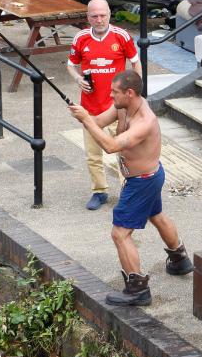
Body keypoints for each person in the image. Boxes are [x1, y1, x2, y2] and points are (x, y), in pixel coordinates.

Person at [68, 70, 193, 306]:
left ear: (130, 93)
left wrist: (86, 120)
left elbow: (111, 146)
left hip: (142, 181)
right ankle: (180, 260)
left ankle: (137, 289)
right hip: (149, 175)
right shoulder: (122, 106)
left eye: (114, 92)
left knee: (120, 234)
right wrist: (83, 116)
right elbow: (98, 123)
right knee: (156, 215)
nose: (110, 95)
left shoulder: (145, 121)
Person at [67, 0, 142, 210]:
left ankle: (128, 192)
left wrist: (137, 94)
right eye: (94, 16)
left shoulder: (122, 36)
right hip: (90, 107)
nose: (99, 20)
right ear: (87, 17)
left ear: (109, 14)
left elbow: (136, 62)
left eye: (103, 15)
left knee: (126, 153)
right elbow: (71, 65)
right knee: (93, 154)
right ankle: (99, 192)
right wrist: (77, 79)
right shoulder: (81, 38)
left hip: (118, 108)